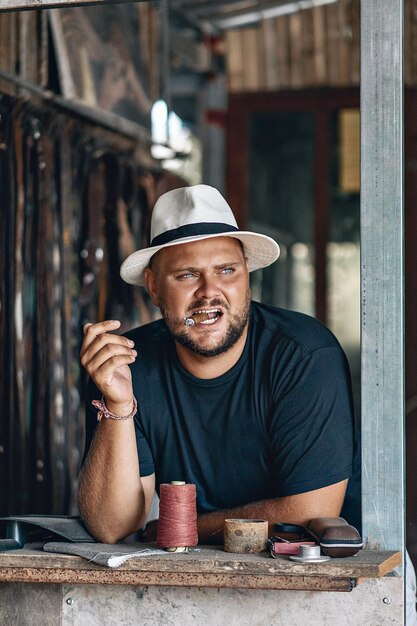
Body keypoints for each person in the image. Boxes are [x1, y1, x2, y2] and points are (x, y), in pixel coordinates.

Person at [78, 184, 357, 545]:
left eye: (227, 270)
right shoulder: (127, 368)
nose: (209, 291)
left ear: (247, 275)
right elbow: (111, 527)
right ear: (154, 287)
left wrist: (181, 528)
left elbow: (315, 509)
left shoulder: (303, 355)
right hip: (200, 573)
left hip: (337, 577)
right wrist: (117, 405)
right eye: (187, 275)